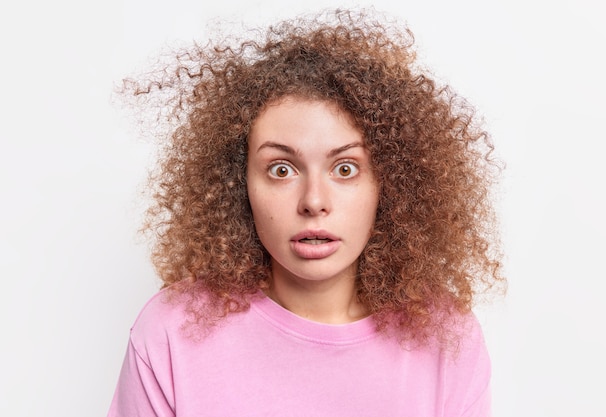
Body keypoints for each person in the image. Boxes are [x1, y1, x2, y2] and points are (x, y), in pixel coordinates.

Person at [107, 7, 505, 417]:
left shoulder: (446, 339)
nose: (314, 201)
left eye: (345, 169)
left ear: (389, 184)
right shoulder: (172, 331)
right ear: (238, 183)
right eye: (282, 170)